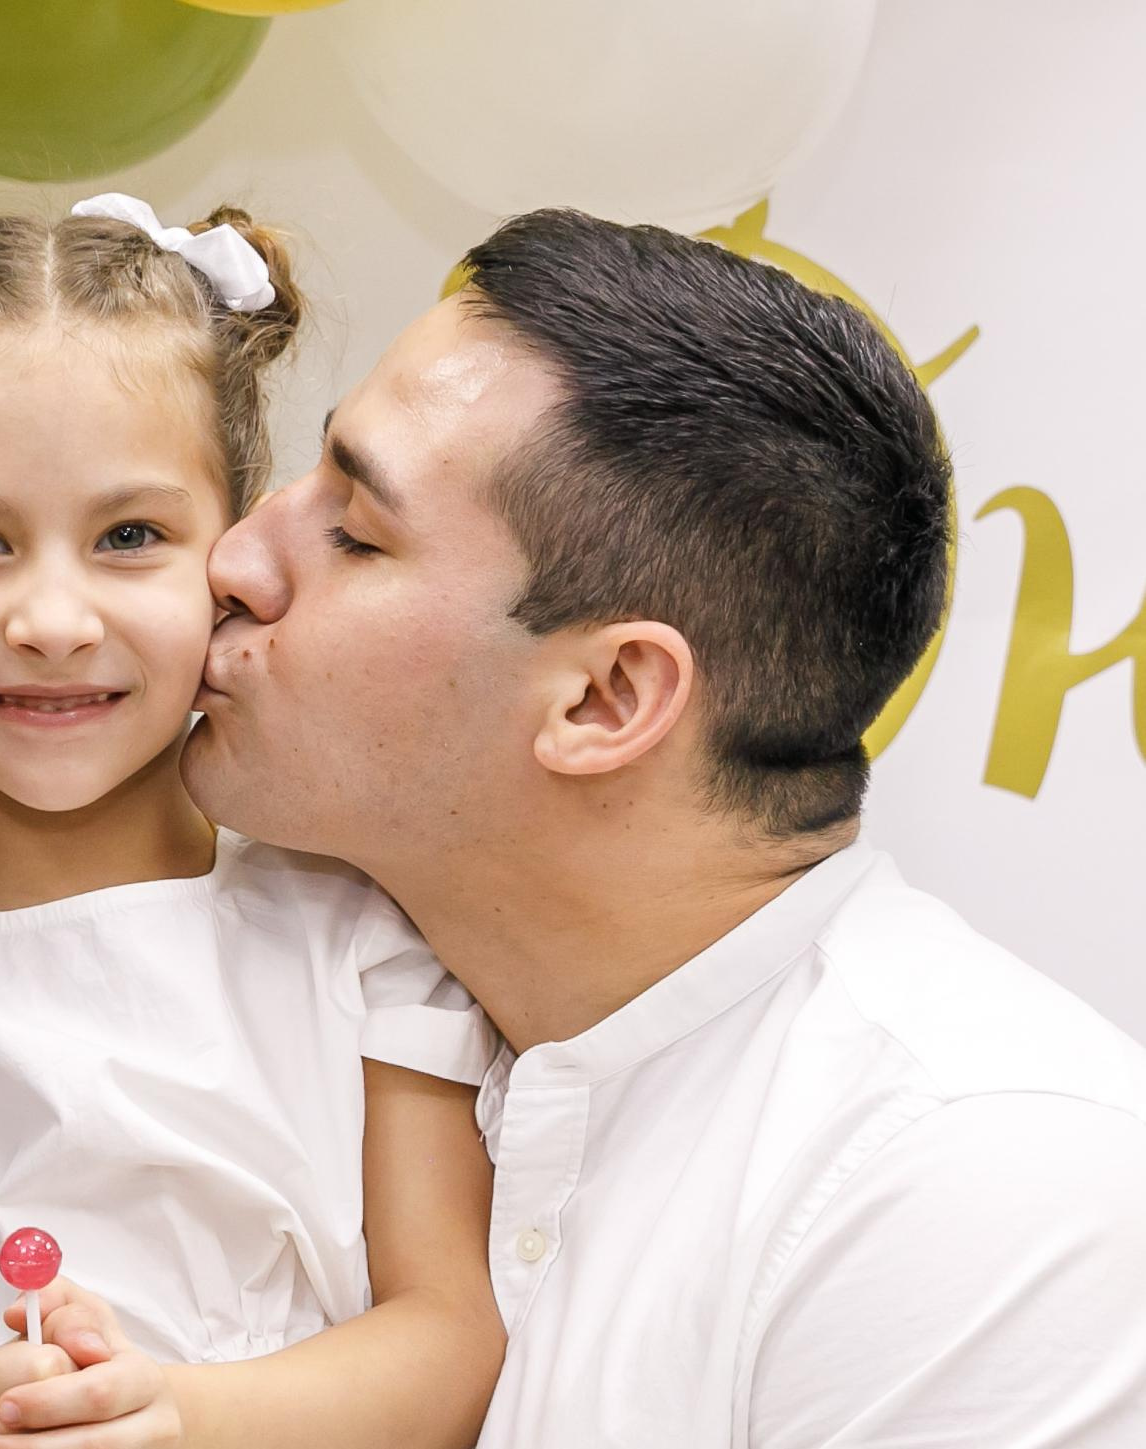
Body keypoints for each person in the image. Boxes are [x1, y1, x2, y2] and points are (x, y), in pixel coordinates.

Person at [180, 208, 1146, 1445]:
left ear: (604, 699)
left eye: (356, 533)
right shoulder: (307, 1003)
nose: (234, 556)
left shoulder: (981, 1184)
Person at [0, 177, 504, 1449]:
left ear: (234, 549)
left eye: (130, 533)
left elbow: (453, 1341)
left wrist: (171, 1418)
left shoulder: (359, 922)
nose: (53, 620)